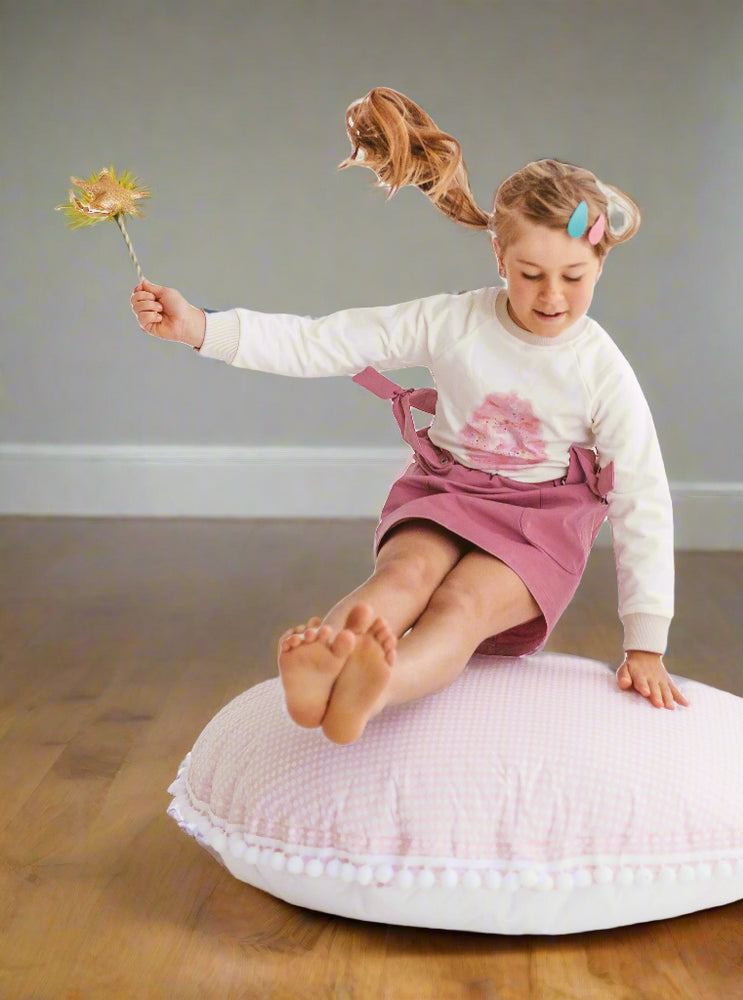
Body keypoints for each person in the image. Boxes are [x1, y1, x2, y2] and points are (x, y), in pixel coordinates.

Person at [130, 87, 688, 745]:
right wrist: (201, 328)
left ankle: (376, 687)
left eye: (573, 276)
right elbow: (328, 339)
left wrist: (645, 641)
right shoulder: (454, 321)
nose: (551, 296)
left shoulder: (600, 368)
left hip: (539, 526)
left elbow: (642, 497)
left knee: (461, 604)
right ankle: (325, 668)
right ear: (499, 258)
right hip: (447, 495)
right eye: (530, 273)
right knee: (404, 575)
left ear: (599, 261)